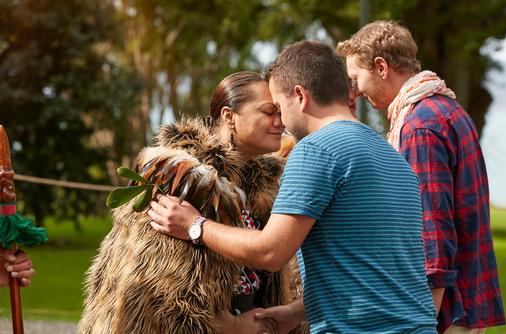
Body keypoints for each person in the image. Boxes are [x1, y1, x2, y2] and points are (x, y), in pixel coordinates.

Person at [148, 41, 437, 334]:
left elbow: (270, 253)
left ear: (299, 96)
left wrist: (194, 225)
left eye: (279, 106)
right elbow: (378, 270)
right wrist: (296, 312)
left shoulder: (316, 150)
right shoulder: (392, 157)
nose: (280, 121)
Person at [79, 71, 296, 334]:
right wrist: (235, 325)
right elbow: (162, 295)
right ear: (229, 116)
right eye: (268, 112)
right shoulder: (178, 179)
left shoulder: (264, 185)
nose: (279, 122)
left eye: (280, 113)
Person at [337, 21, 506, 333]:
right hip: (464, 302)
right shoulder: (446, 108)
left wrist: (423, 317)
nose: (356, 92)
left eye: (355, 79)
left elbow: (431, 226)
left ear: (381, 67)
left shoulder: (420, 127)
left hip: (442, 313)